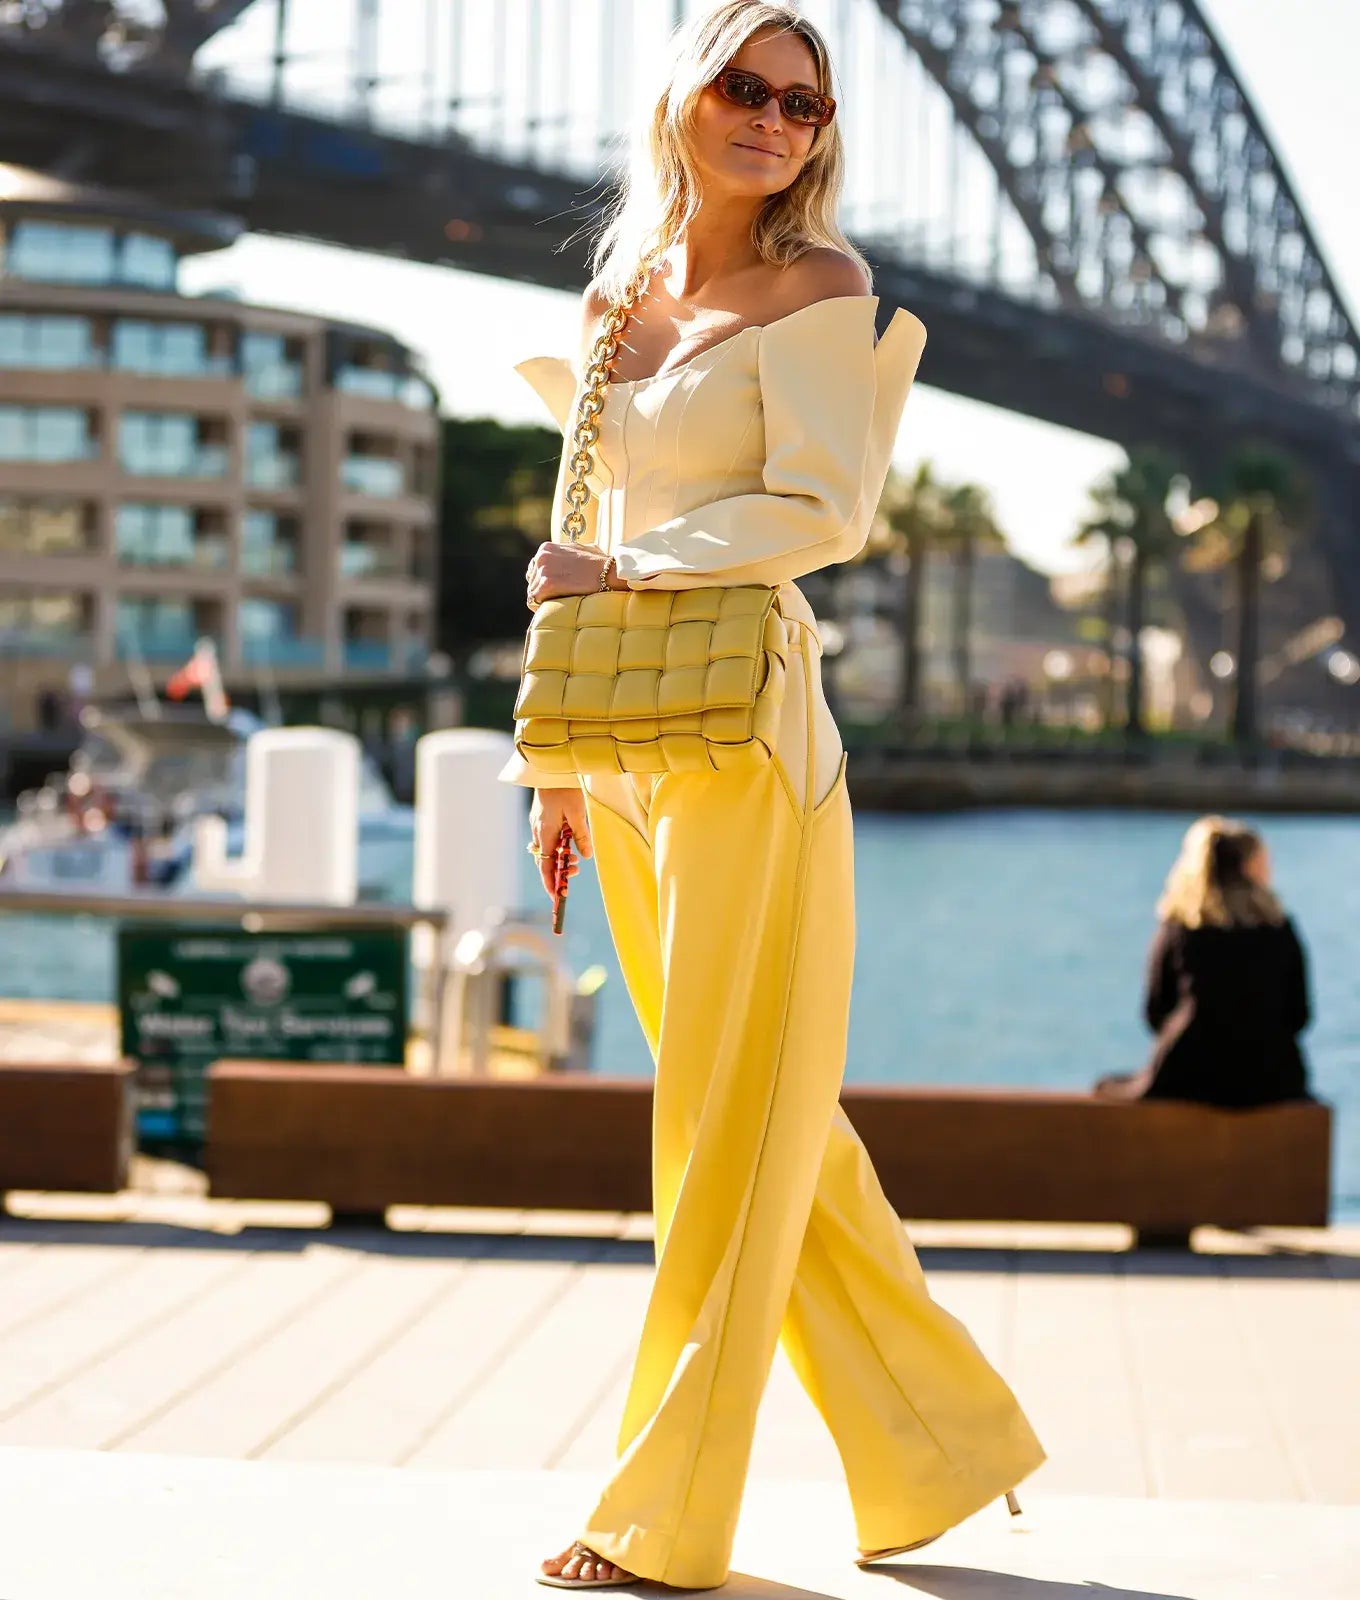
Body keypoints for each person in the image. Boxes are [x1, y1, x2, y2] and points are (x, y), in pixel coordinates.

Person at [500, 4, 1046, 1588]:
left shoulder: (823, 288)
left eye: (802, 104)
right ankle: (942, 1438)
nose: (771, 119)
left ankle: (660, 1521)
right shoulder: (615, 300)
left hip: (750, 741)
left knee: (721, 1138)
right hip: (624, 761)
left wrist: (635, 564)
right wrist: (555, 767)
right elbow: (563, 538)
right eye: (744, 86)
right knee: (774, 1127)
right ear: (684, 93)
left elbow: (827, 507)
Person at [1095, 816, 1313, 1107]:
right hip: (1274, 1081)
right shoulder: (1279, 928)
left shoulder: (1179, 929)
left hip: (1187, 1076)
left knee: (1107, 1085)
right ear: (1251, 868)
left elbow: (1156, 1012)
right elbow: (1299, 1014)